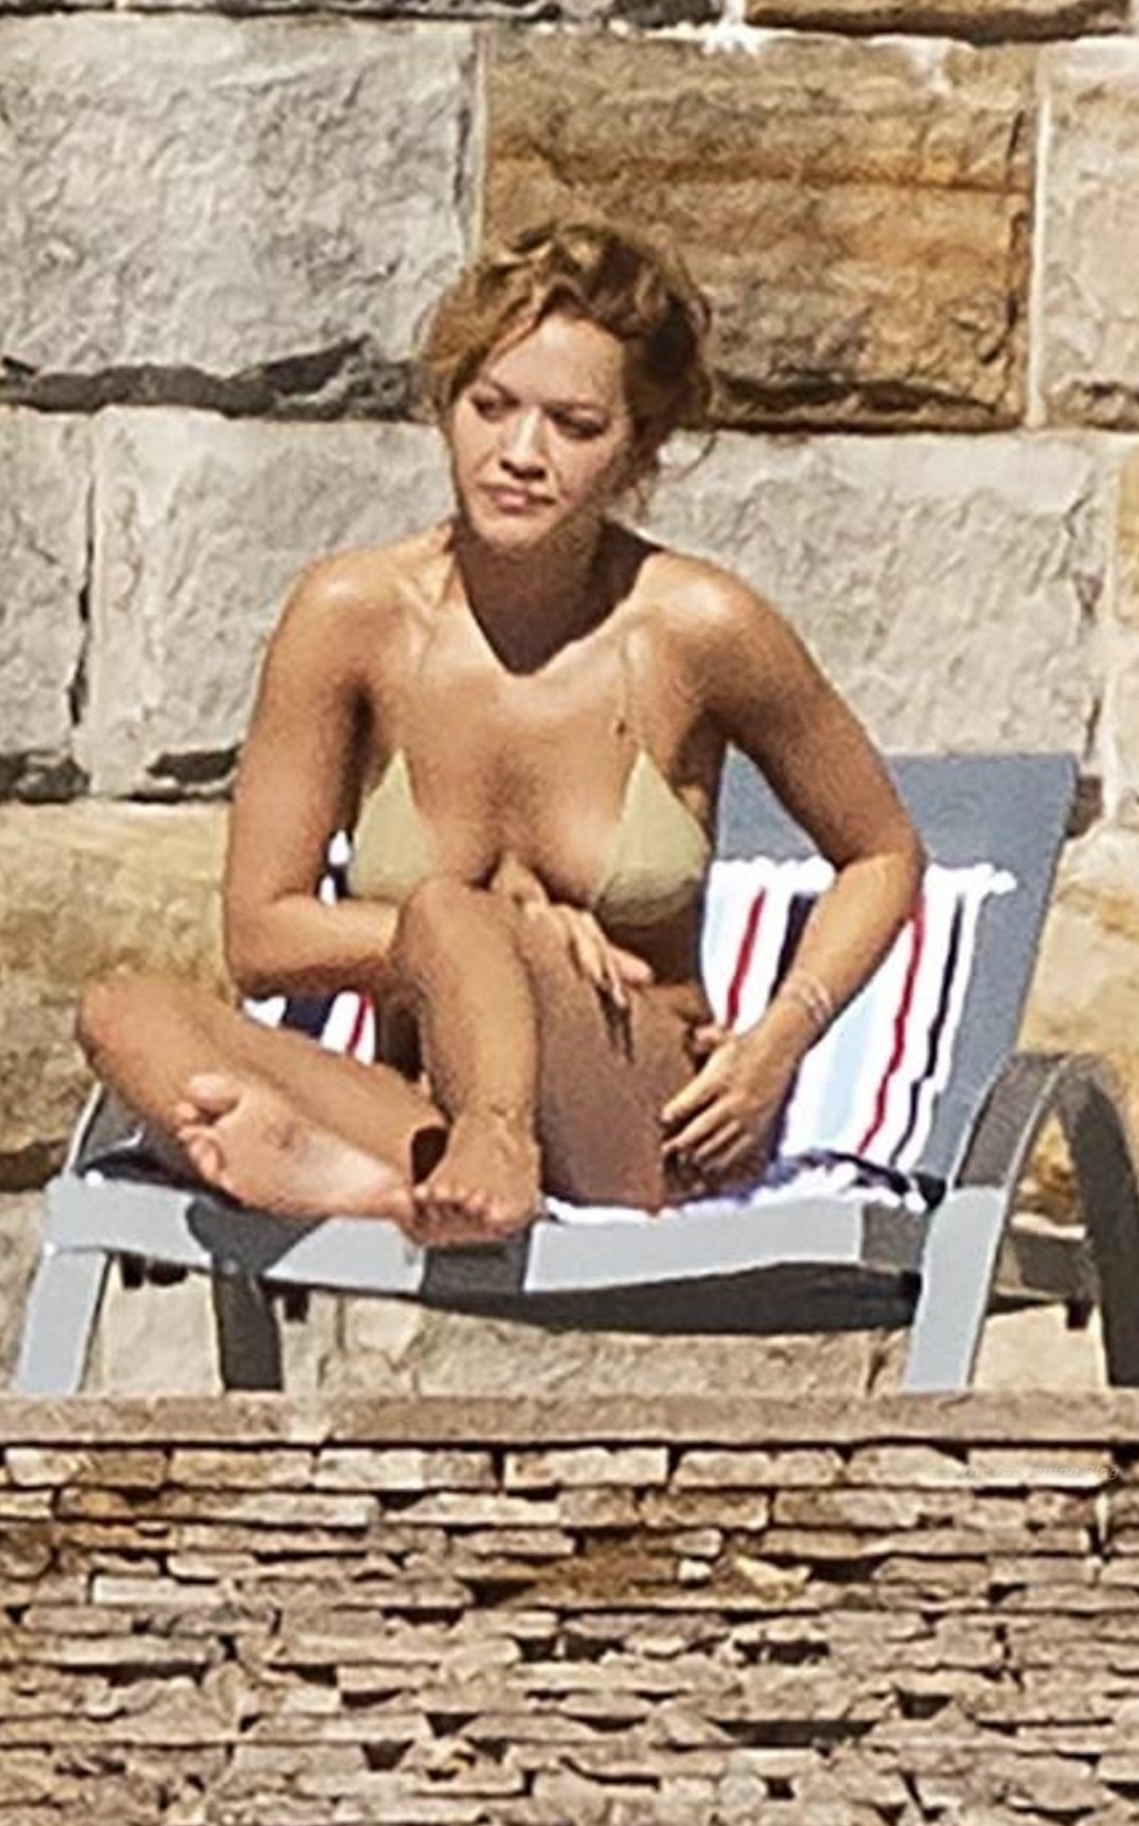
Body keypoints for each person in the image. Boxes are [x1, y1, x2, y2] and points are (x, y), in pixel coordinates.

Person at [76, 219, 925, 1247]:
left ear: (638, 449)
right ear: (446, 406)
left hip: (638, 1125)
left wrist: (781, 1038)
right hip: (419, 1109)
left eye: (574, 425)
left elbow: (882, 851)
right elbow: (260, 937)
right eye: (491, 407)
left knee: (446, 909)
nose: (520, 454)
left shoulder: (696, 629)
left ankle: (483, 1150)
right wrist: (484, 945)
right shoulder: (351, 617)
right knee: (123, 1011)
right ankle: (393, 1184)